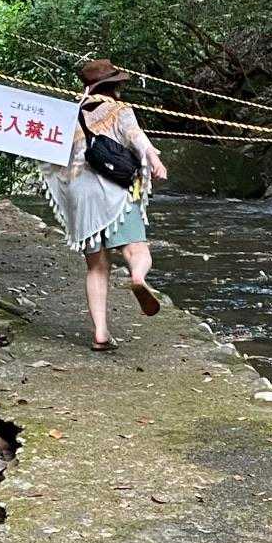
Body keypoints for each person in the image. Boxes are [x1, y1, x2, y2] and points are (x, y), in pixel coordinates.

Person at [40, 57, 167, 351]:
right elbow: (135, 136)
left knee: (96, 267)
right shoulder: (119, 109)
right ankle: (138, 278)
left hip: (81, 198)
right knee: (136, 250)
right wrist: (154, 159)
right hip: (114, 192)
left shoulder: (67, 115)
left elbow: (51, 157)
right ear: (114, 86)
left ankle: (100, 333)